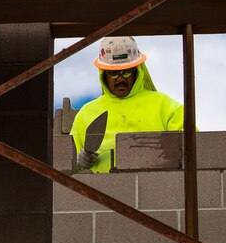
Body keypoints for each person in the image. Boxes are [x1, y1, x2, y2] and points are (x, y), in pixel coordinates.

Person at [70, 35, 184, 172]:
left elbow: (191, 144)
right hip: (100, 189)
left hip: (155, 188)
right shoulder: (86, 114)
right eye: (113, 73)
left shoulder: (164, 106)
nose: (120, 79)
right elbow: (64, 161)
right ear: (103, 74)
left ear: (137, 71)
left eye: (126, 72)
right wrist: (77, 160)